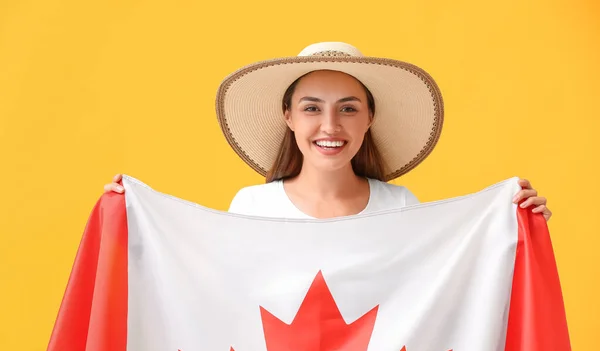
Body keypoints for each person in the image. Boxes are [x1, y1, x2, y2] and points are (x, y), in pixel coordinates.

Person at [104, 42, 552, 221]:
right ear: (288, 117)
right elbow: (211, 297)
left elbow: (452, 295)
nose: (330, 126)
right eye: (312, 108)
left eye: (349, 108)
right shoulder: (252, 207)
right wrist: (134, 221)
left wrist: (515, 229)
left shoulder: (401, 208)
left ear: (369, 118)